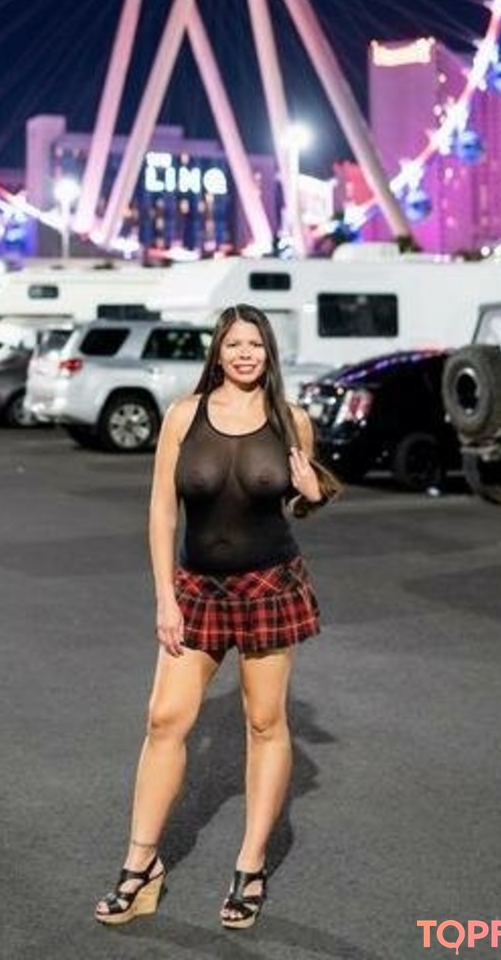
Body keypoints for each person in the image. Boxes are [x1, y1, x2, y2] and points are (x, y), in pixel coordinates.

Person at [94, 303, 338, 931]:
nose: (245, 354)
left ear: (268, 352)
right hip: (196, 589)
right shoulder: (184, 415)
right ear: (218, 351)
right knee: (165, 719)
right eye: (234, 344)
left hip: (269, 586)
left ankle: (250, 867)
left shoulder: (291, 419)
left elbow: (298, 501)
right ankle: (141, 865)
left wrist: (312, 496)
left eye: (255, 344)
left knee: (264, 722)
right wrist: (165, 596)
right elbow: (161, 511)